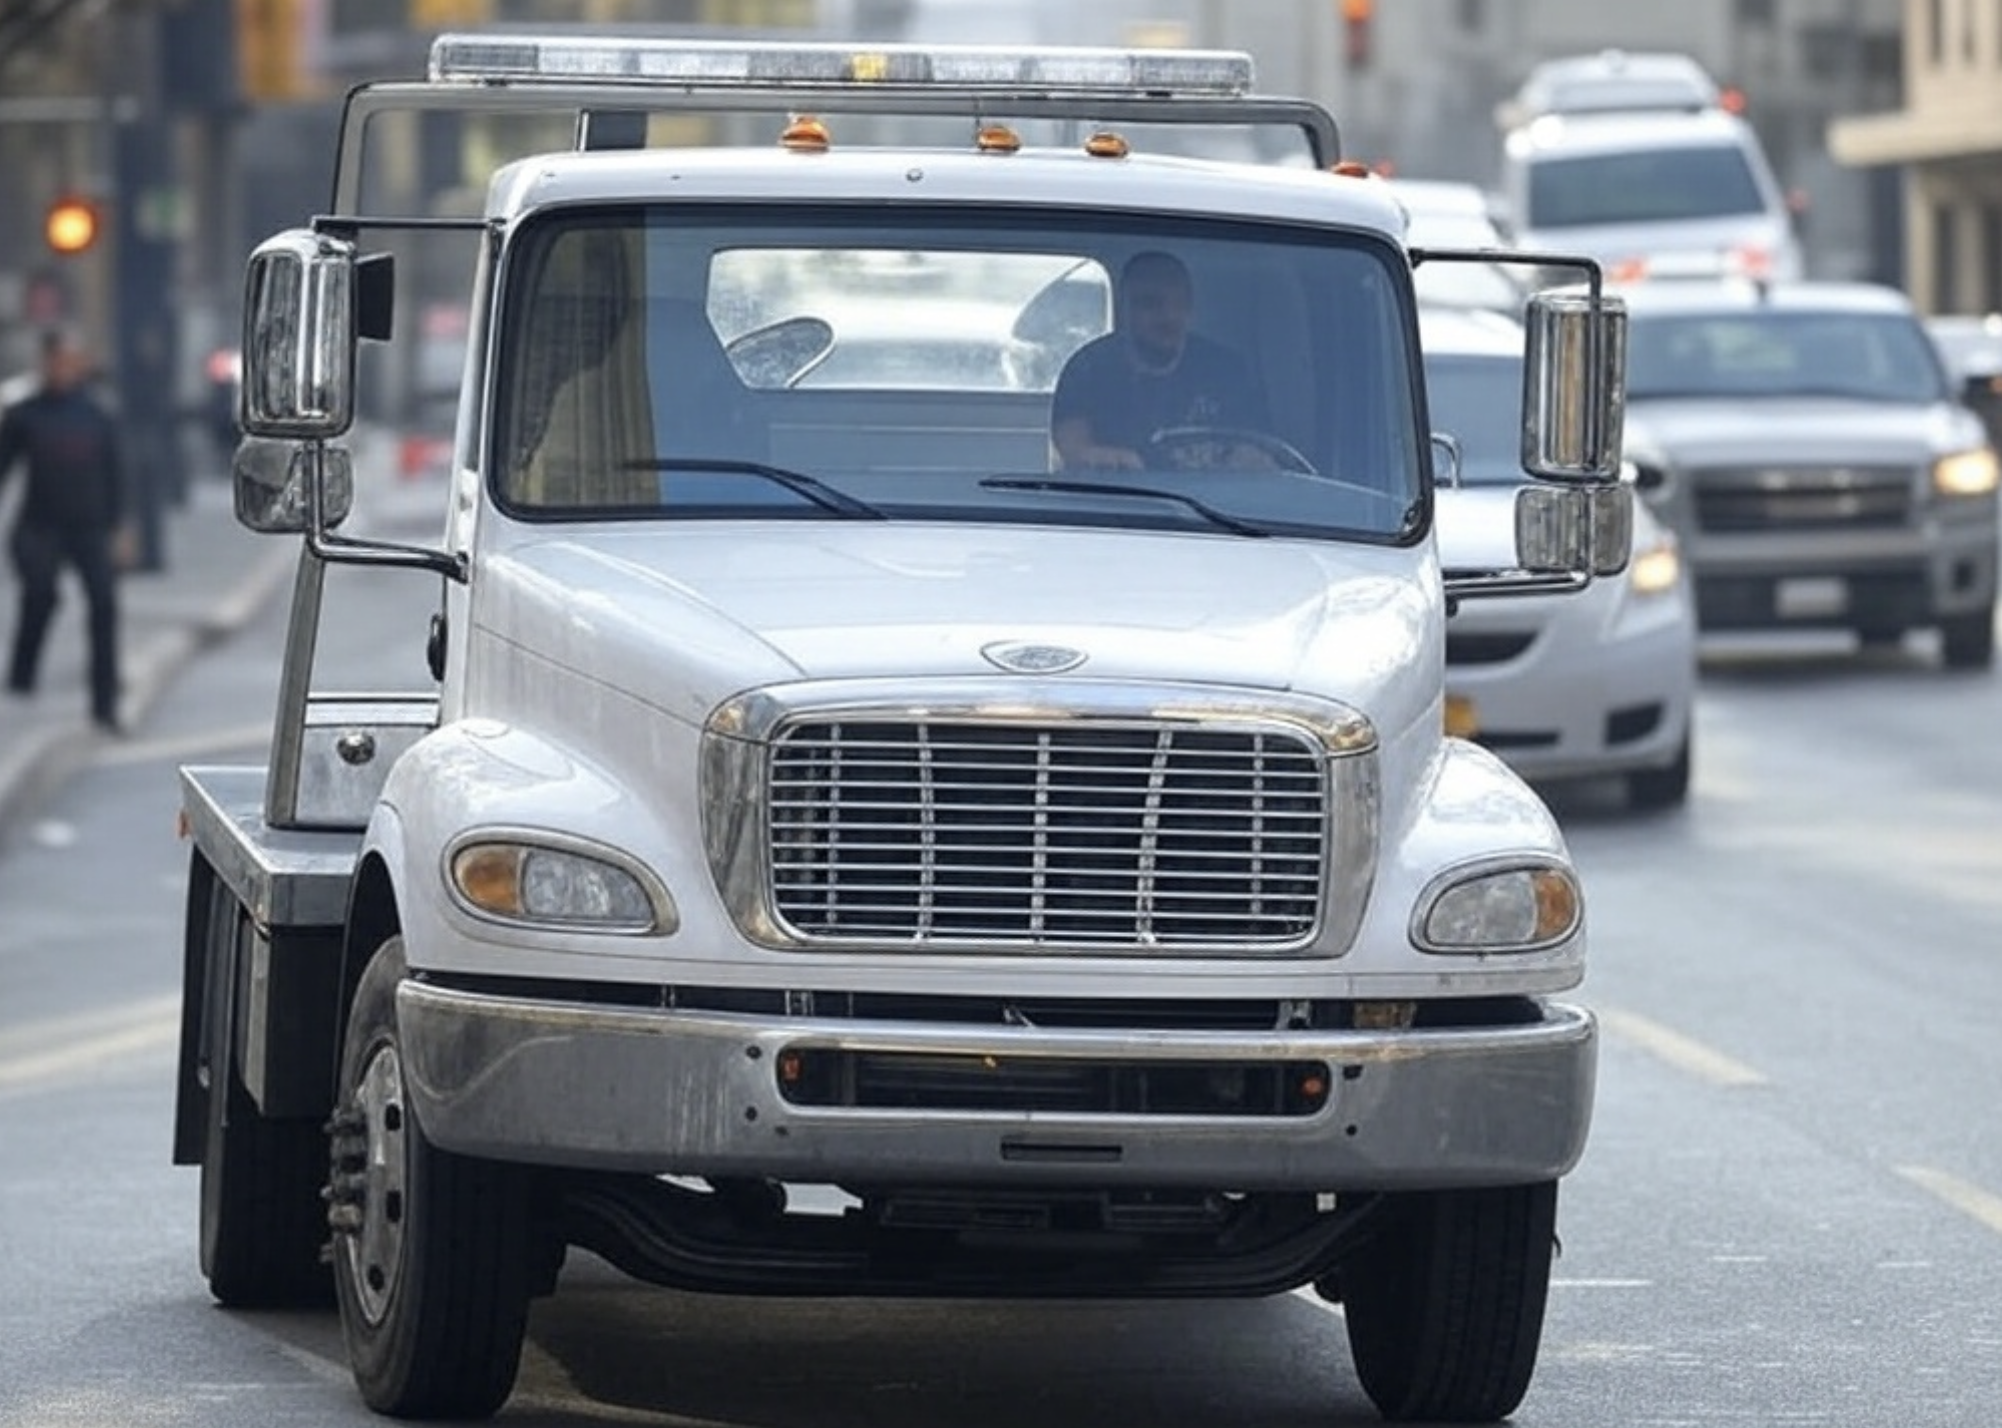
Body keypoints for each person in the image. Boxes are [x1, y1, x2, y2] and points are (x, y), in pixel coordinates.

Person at [0, 327, 129, 733]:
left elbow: (116, 476)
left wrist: (120, 529)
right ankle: (22, 679)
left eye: (69, 361)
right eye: (55, 361)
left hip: (90, 527)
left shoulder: (97, 414)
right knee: (40, 594)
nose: (61, 369)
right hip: (41, 525)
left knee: (104, 605)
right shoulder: (26, 414)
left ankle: (104, 704)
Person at [1049, 249, 1268, 471]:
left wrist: (1248, 461)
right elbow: (1074, 451)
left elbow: (1258, 449)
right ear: (1125, 308)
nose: (1169, 316)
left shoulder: (1226, 370)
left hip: (1213, 502)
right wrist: (1109, 460)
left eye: (1179, 303)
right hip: (1117, 501)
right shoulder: (1088, 368)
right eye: (1151, 304)